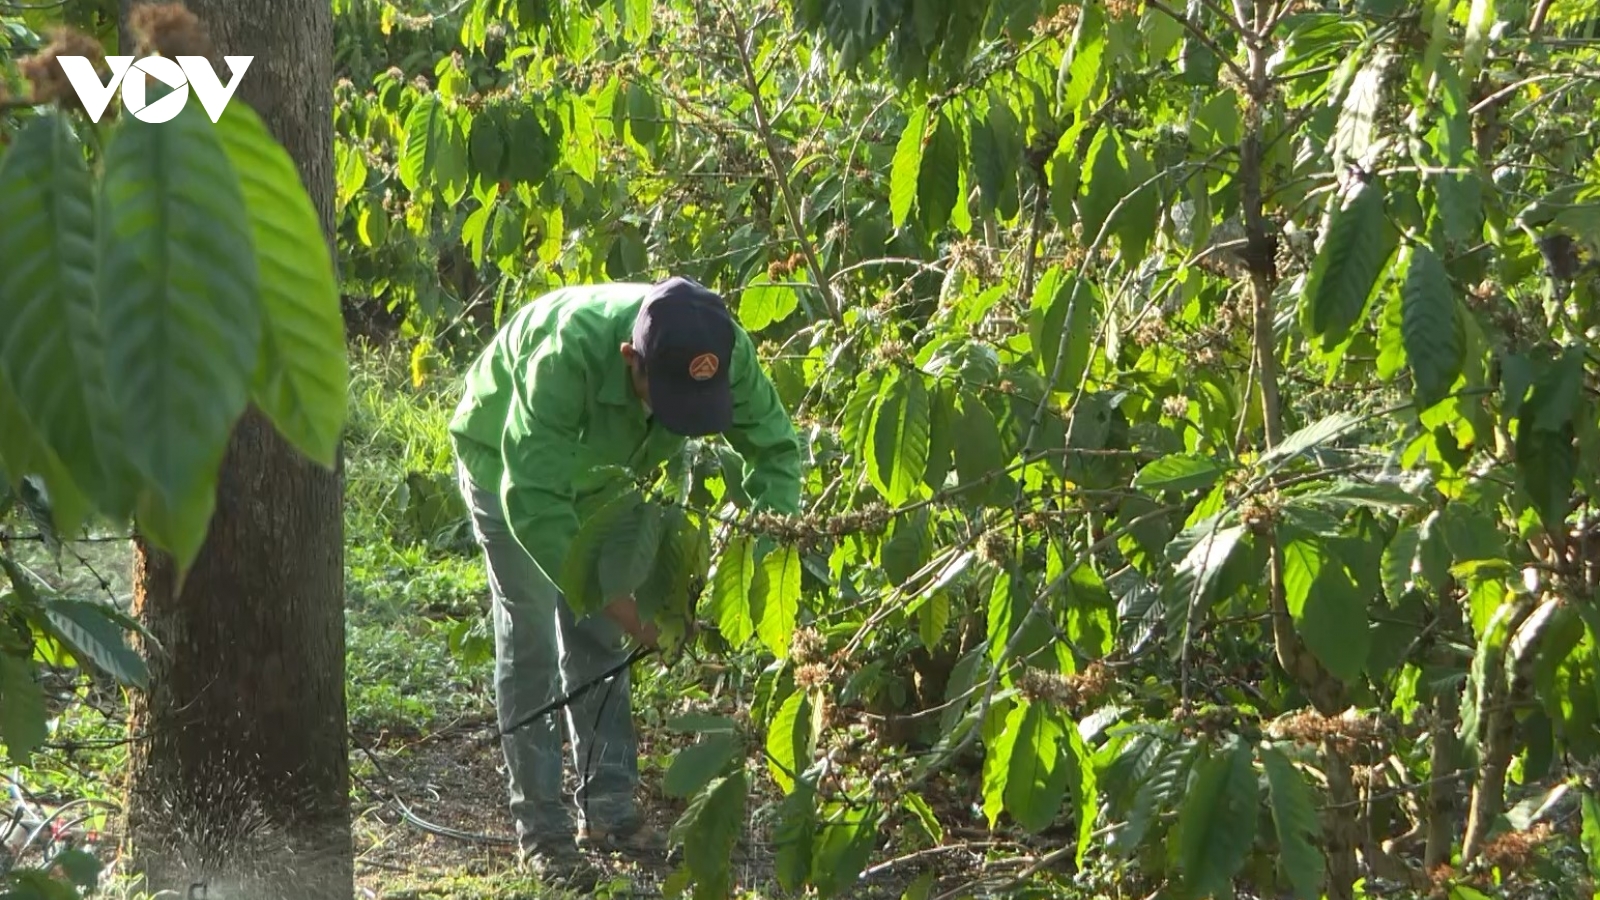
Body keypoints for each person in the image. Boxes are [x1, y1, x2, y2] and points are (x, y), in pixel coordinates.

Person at [447, 276, 803, 875]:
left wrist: (755, 561)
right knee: (533, 626)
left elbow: (777, 456)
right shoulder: (567, 355)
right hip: (507, 461)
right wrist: (626, 608)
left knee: (597, 638)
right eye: (664, 399)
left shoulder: (720, 350)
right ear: (630, 361)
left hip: (604, 478)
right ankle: (542, 832)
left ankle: (607, 808)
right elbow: (532, 497)